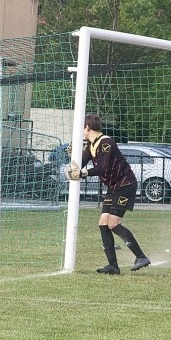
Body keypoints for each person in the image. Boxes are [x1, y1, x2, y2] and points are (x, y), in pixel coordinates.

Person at [66, 114, 151, 274]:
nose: (80, 132)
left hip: (125, 185)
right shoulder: (91, 145)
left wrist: (82, 174)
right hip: (114, 187)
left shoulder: (106, 143)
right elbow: (81, 163)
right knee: (103, 224)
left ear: (87, 127)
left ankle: (141, 257)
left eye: (81, 128)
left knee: (113, 223)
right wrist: (73, 157)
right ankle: (113, 266)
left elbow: (102, 168)